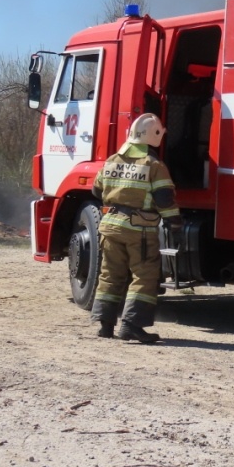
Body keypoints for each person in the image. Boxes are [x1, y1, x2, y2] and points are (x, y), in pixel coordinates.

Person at [90, 113, 181, 343]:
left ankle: (105, 325)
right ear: (155, 136)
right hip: (138, 230)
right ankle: (131, 326)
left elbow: (96, 191)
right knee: (144, 277)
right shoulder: (153, 165)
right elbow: (164, 199)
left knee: (110, 274)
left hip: (110, 226)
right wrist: (174, 221)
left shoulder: (112, 159)